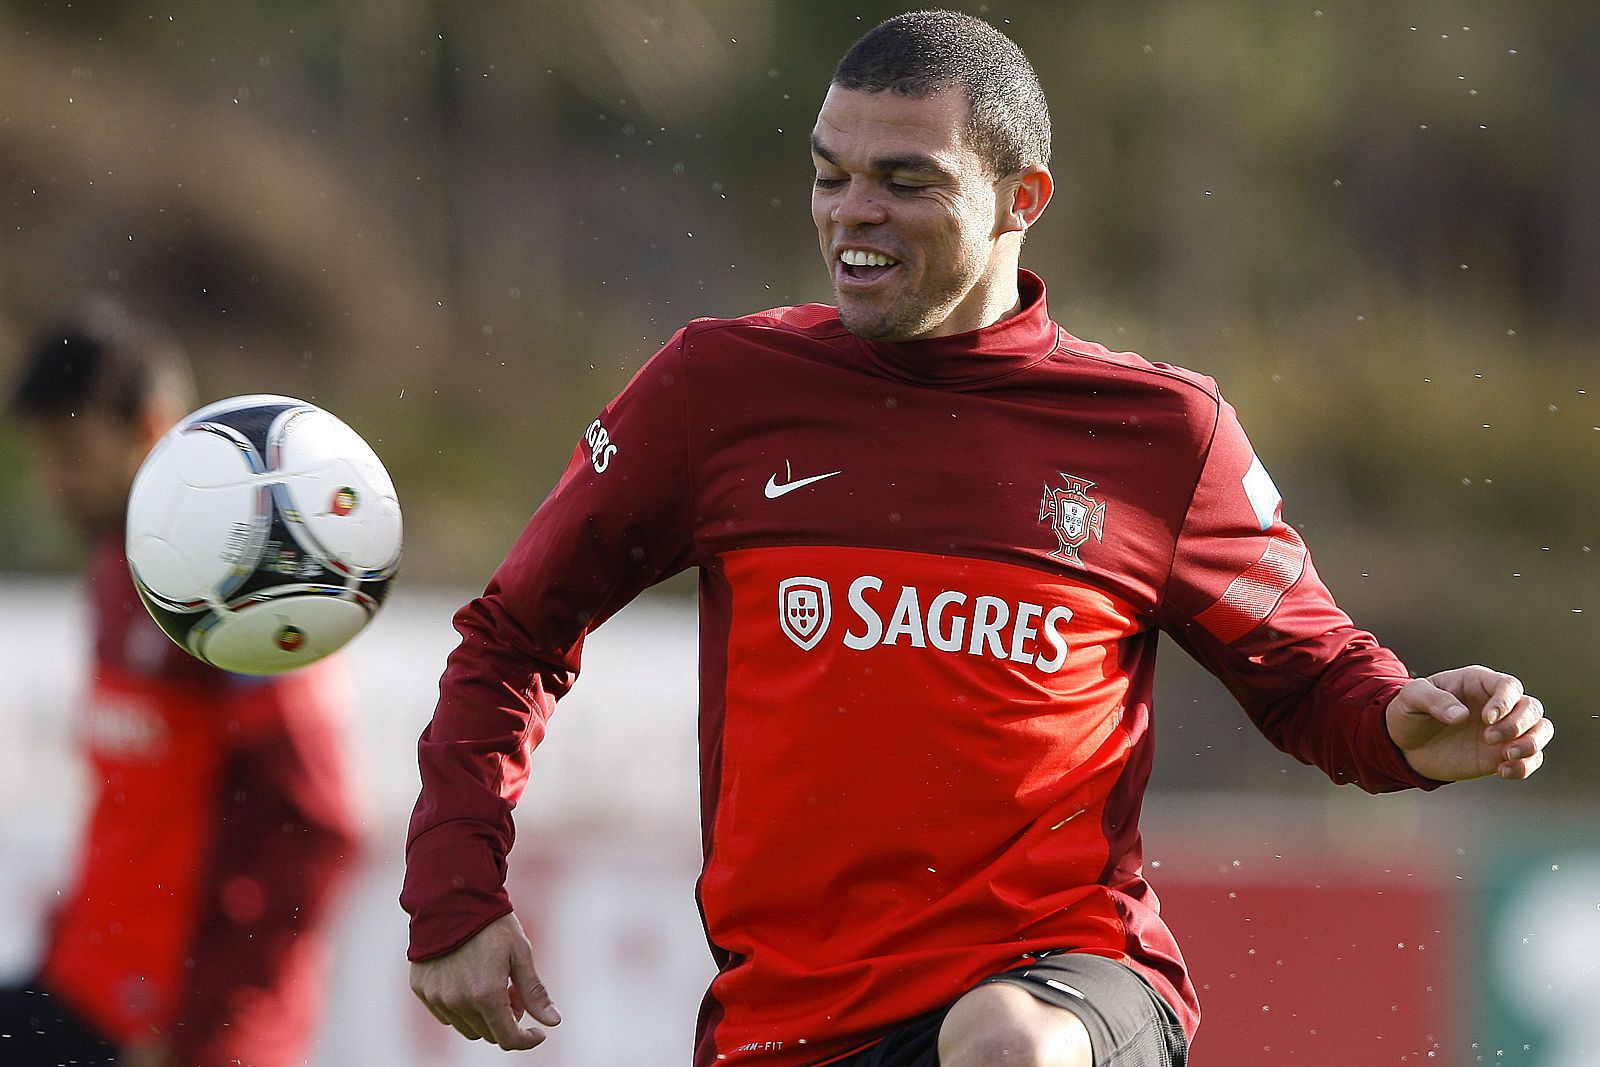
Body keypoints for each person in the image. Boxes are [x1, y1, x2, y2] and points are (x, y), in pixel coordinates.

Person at [402, 11, 1553, 1067]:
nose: (853, 209)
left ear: (1022, 195)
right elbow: (513, 633)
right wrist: (456, 888)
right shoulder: (716, 390)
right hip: (789, 1020)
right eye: (831, 174)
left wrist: (1400, 723)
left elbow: (1308, 676)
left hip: (1063, 976)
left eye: (906, 179)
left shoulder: (1161, 433)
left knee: (1003, 1042)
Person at [0, 300, 363, 1067]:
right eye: (43, 454)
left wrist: (206, 1026)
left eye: (71, 449)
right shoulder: (114, 571)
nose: (54, 481)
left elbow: (313, 822)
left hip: (184, 1032)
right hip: (90, 992)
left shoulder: (238, 587)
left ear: (152, 427)